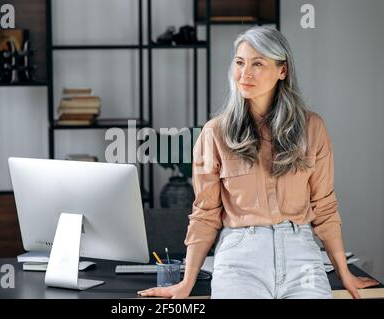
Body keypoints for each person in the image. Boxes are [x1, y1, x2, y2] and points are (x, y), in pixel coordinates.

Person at [138, 26, 379, 299]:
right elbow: (205, 213)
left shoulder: (312, 128)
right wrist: (186, 282)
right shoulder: (215, 133)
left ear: (282, 70)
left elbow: (324, 206)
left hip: (302, 256)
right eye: (239, 63)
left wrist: (343, 272)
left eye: (258, 63)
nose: (245, 73)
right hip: (240, 259)